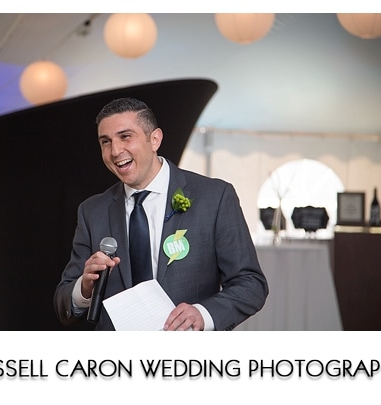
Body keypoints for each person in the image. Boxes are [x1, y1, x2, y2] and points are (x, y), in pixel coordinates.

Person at [53, 98, 267, 331]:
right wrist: (84, 287)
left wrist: (202, 315)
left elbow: (250, 284)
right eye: (106, 142)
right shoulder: (92, 211)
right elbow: (64, 300)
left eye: (125, 137)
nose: (115, 151)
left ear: (155, 139)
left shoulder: (214, 197)